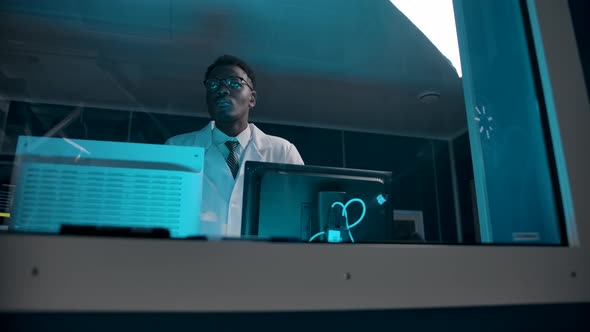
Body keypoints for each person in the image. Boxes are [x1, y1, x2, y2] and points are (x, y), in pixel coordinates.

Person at [165, 55, 304, 237]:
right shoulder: (177, 148)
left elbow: (302, 216)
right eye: (213, 84)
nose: (222, 90)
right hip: (194, 259)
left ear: (252, 99)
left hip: (264, 261)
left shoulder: (283, 152)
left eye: (234, 83)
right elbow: (161, 213)